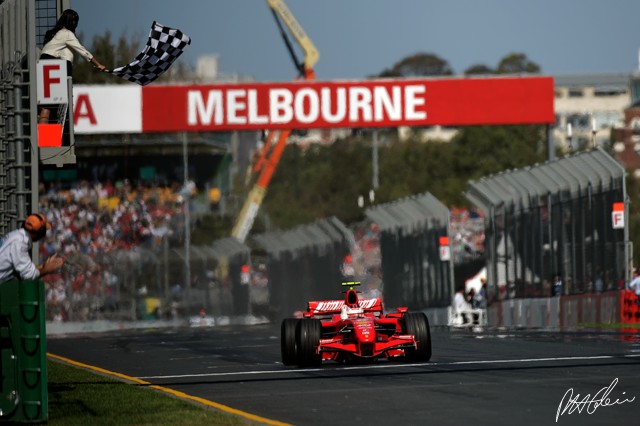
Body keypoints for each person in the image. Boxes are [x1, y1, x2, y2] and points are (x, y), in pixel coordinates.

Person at [38, 9, 107, 124]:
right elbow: (83, 51)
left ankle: (46, 138)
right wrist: (98, 64)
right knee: (48, 107)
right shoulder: (67, 34)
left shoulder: (55, 34)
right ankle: (44, 141)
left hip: (45, 66)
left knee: (49, 108)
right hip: (53, 68)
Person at [0, 213, 64, 284]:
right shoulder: (19, 243)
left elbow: (23, 270)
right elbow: (29, 276)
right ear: (40, 232)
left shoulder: (18, 236)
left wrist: (43, 266)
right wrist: (47, 270)